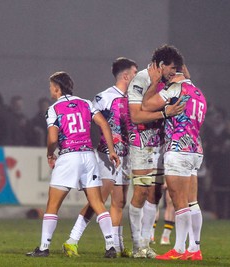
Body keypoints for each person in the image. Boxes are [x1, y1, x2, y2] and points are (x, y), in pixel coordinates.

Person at [26, 71, 120, 258]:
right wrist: (111, 150)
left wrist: (49, 153)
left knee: (53, 204)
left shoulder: (54, 109)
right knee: (98, 203)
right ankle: (110, 246)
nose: (50, 89)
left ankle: (44, 248)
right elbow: (104, 125)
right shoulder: (86, 103)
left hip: (69, 156)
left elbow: (53, 138)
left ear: (58, 88)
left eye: (51, 86)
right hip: (88, 156)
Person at [62, 58, 137, 258]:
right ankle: (72, 240)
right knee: (99, 200)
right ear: (126, 75)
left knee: (119, 202)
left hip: (126, 156)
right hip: (107, 155)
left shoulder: (133, 98)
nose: (138, 77)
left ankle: (119, 246)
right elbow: (90, 122)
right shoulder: (105, 97)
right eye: (135, 73)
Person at [142, 66, 207, 261]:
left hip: (178, 148)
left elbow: (146, 106)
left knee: (178, 203)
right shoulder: (198, 92)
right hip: (195, 149)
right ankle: (195, 249)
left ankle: (178, 250)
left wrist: (154, 83)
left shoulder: (175, 88)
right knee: (192, 201)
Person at [127, 44, 185, 258]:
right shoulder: (141, 79)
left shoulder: (166, 81)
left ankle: (145, 243)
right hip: (142, 144)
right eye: (172, 68)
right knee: (141, 192)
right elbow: (136, 116)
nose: (174, 73)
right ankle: (136, 245)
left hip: (160, 143)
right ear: (161, 65)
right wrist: (165, 113)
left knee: (155, 195)